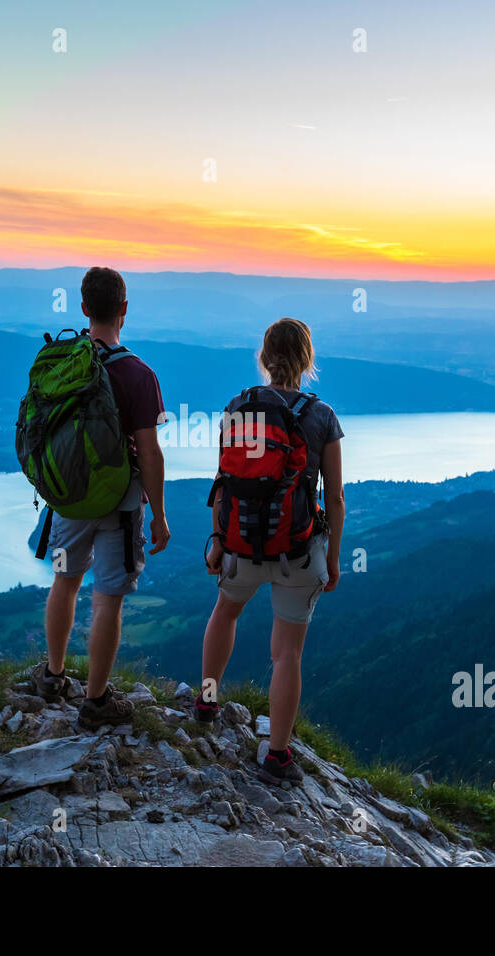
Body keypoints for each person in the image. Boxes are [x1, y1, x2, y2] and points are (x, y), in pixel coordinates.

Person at [198, 317, 343, 786]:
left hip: (240, 544)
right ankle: (277, 755)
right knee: (287, 655)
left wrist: (219, 540)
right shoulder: (321, 416)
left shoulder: (238, 407)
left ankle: (206, 700)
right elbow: (336, 498)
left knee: (225, 612)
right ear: (306, 360)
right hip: (299, 552)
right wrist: (334, 558)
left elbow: (224, 481)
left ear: (264, 357)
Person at [30, 267, 171, 728]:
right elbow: (149, 453)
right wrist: (160, 516)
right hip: (120, 502)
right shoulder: (138, 373)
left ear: (85, 308)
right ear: (124, 310)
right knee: (108, 596)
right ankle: (95, 702)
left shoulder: (60, 362)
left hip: (69, 497)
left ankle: (52, 677)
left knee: (65, 580)